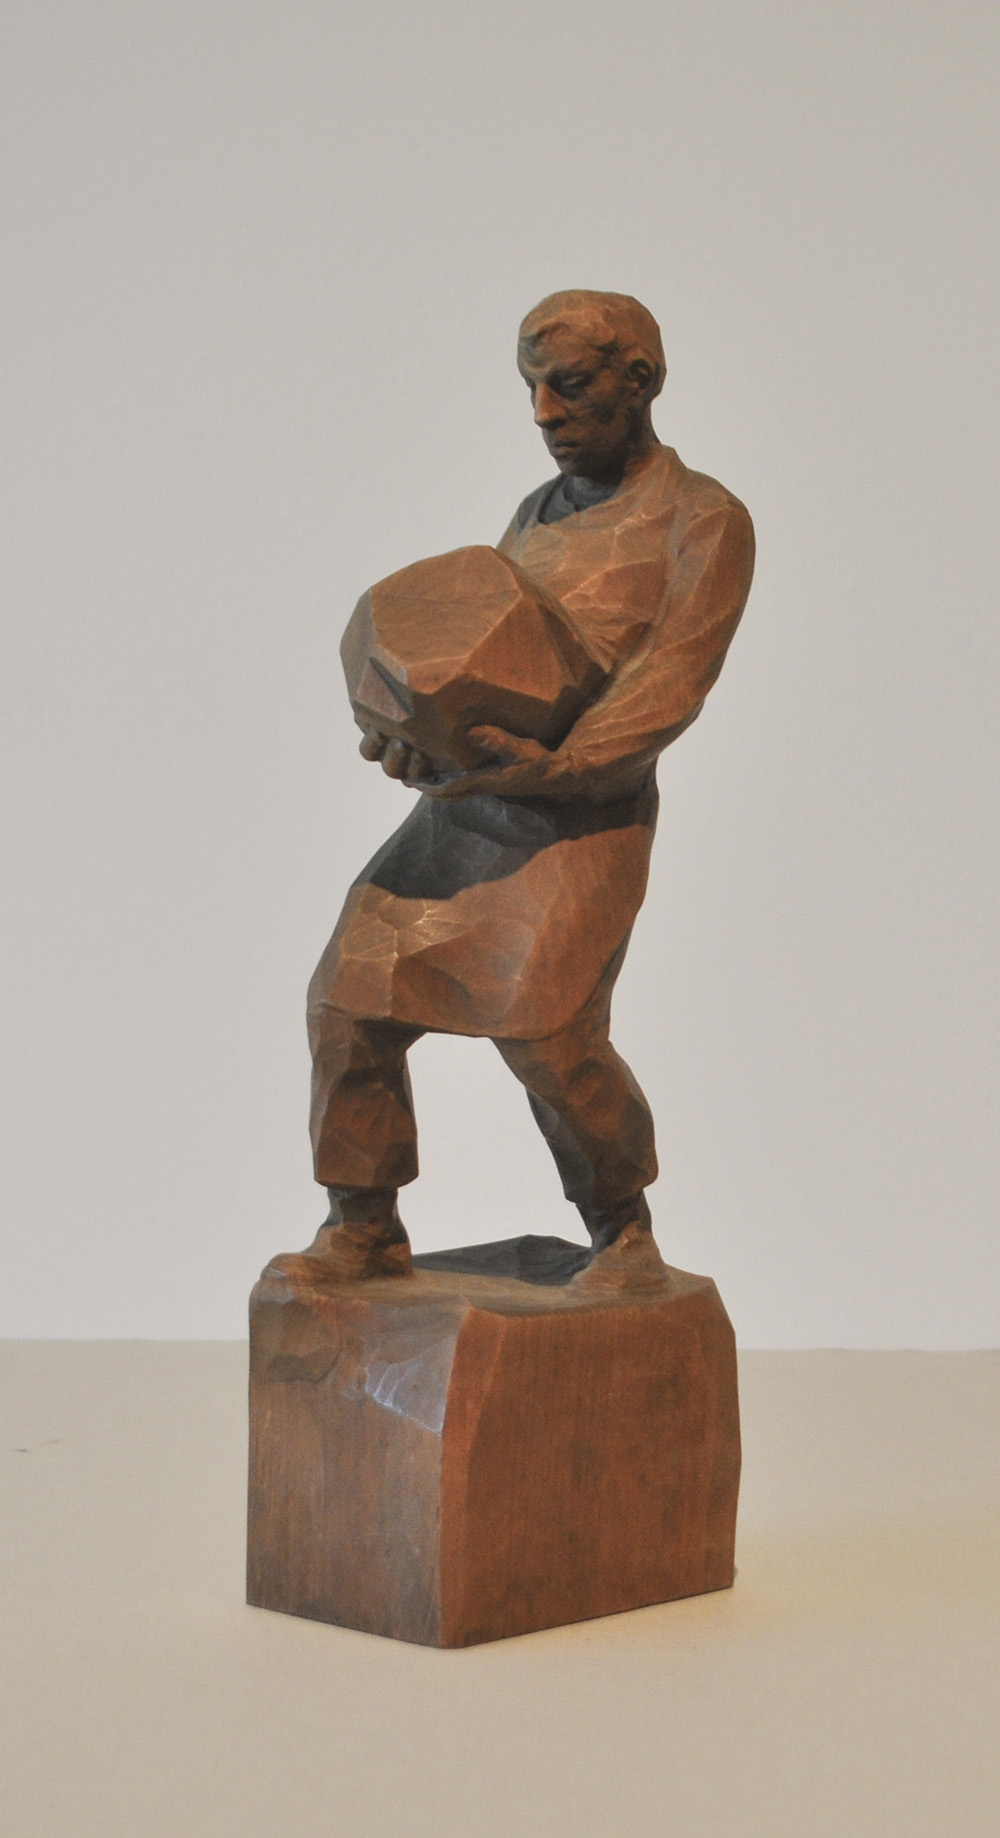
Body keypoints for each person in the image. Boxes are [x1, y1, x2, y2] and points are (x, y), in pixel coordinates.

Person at [296, 291, 754, 1282]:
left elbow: (672, 675)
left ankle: (623, 1230)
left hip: (585, 819)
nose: (544, 413)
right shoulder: (537, 512)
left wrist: (565, 767)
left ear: (640, 381)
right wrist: (417, 735)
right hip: (473, 807)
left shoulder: (703, 520)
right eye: (533, 387)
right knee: (350, 996)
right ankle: (362, 1223)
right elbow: (487, 651)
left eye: (570, 385)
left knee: (551, 1034)